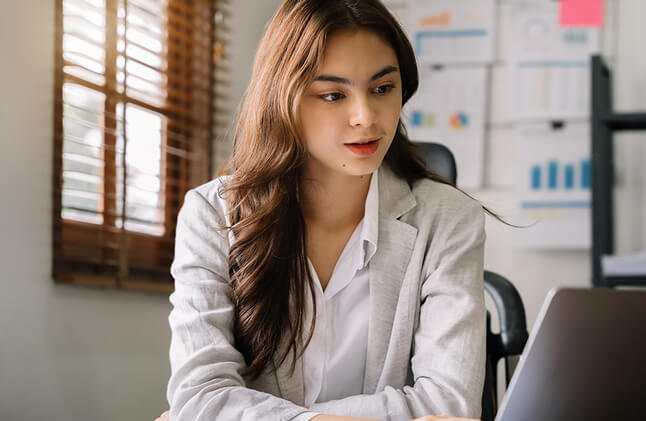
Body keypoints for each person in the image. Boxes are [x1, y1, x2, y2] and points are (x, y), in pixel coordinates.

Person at [161, 1, 486, 420]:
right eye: (333, 95)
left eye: (383, 89)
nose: (366, 116)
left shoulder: (448, 219)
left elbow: (448, 407)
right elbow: (200, 396)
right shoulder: (212, 215)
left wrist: (260, 414)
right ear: (283, 99)